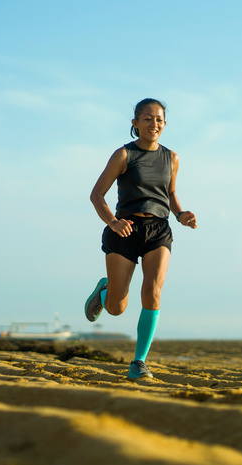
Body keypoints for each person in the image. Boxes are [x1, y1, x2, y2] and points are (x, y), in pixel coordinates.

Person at [84, 98, 197, 380]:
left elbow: (169, 194)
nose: (153, 124)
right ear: (135, 124)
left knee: (153, 290)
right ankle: (104, 291)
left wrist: (181, 214)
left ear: (165, 124)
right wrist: (113, 221)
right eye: (147, 119)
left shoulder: (172, 158)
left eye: (158, 119)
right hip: (125, 229)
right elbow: (97, 195)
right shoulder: (123, 155)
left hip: (159, 230)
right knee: (116, 308)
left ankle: (139, 362)